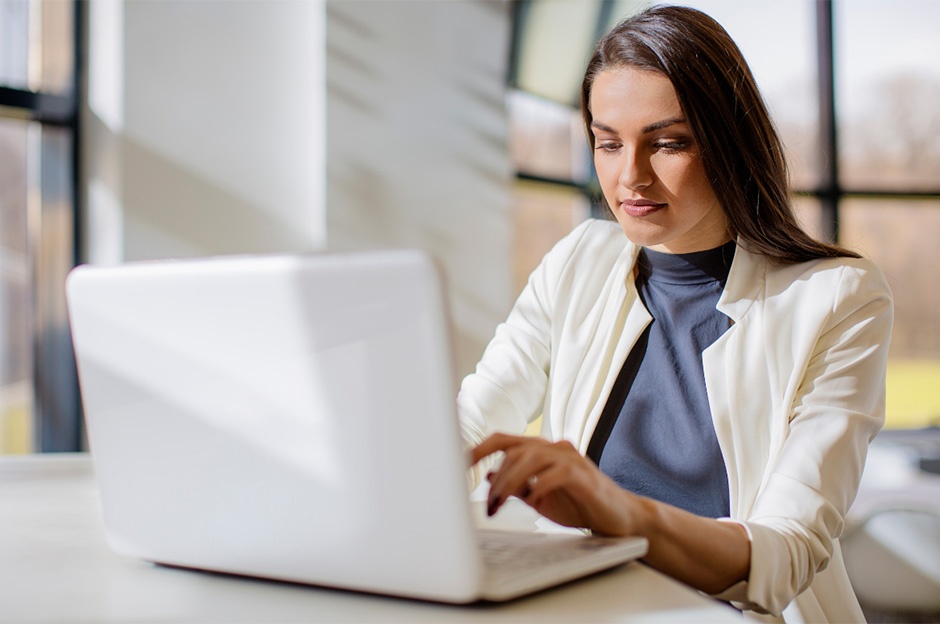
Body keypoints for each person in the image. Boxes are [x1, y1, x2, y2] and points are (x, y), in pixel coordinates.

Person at [460, 5, 893, 623]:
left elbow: (787, 550)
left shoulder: (839, 297)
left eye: (668, 143)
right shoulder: (579, 259)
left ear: (728, 141)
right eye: (607, 143)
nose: (629, 177)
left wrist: (616, 510)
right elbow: (475, 419)